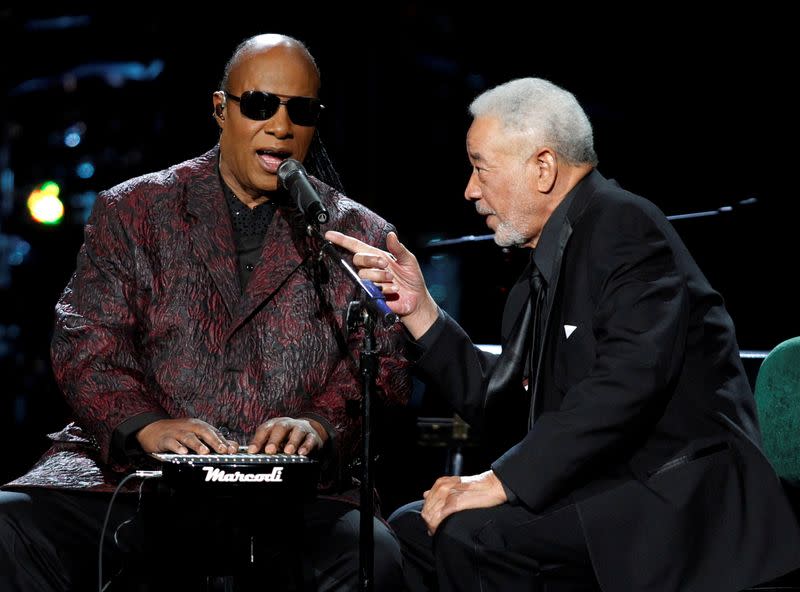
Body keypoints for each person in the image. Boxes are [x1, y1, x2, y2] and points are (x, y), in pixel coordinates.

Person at [325, 77, 800, 592]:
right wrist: (421, 314)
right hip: (603, 485)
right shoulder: (543, 268)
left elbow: (627, 383)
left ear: (544, 167)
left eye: (481, 165)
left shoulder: (623, 225)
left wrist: (499, 481)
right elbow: (508, 409)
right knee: (411, 531)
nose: (470, 189)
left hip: (680, 499)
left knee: (473, 535)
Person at [0, 34, 411, 591]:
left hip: (292, 496)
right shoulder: (135, 209)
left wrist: (318, 426)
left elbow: (381, 369)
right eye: (261, 105)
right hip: (137, 478)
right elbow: (87, 343)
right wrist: (146, 426)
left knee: (374, 556)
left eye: (302, 111)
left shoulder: (356, 234)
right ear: (222, 109)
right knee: (11, 521)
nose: (281, 127)